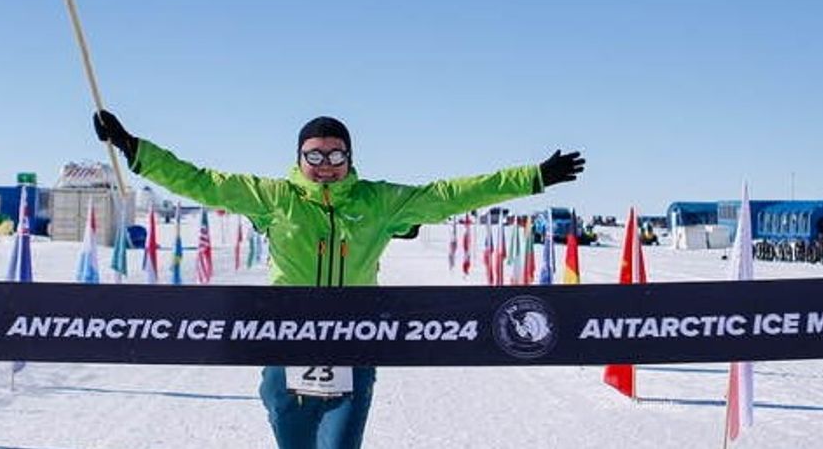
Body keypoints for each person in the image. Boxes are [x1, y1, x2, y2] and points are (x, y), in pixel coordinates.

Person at [93, 110, 585, 449]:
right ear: (299, 157)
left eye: (335, 154)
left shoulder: (378, 201)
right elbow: (198, 180)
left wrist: (532, 177)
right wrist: (133, 147)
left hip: (354, 345)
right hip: (285, 345)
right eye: (315, 155)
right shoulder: (273, 197)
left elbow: (450, 194)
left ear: (350, 157)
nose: (325, 165)